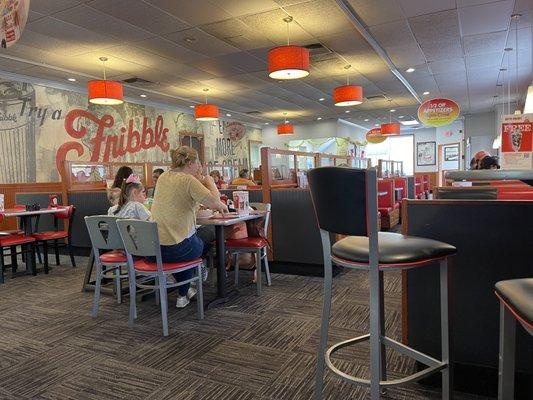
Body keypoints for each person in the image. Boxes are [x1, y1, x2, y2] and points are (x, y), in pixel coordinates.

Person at [150, 146, 228, 308]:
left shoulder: (164, 176)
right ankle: (194, 274)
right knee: (208, 234)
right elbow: (216, 203)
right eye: (198, 162)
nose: (199, 165)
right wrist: (209, 181)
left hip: (153, 250)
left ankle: (185, 289)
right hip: (177, 251)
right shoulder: (188, 180)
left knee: (186, 239)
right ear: (190, 163)